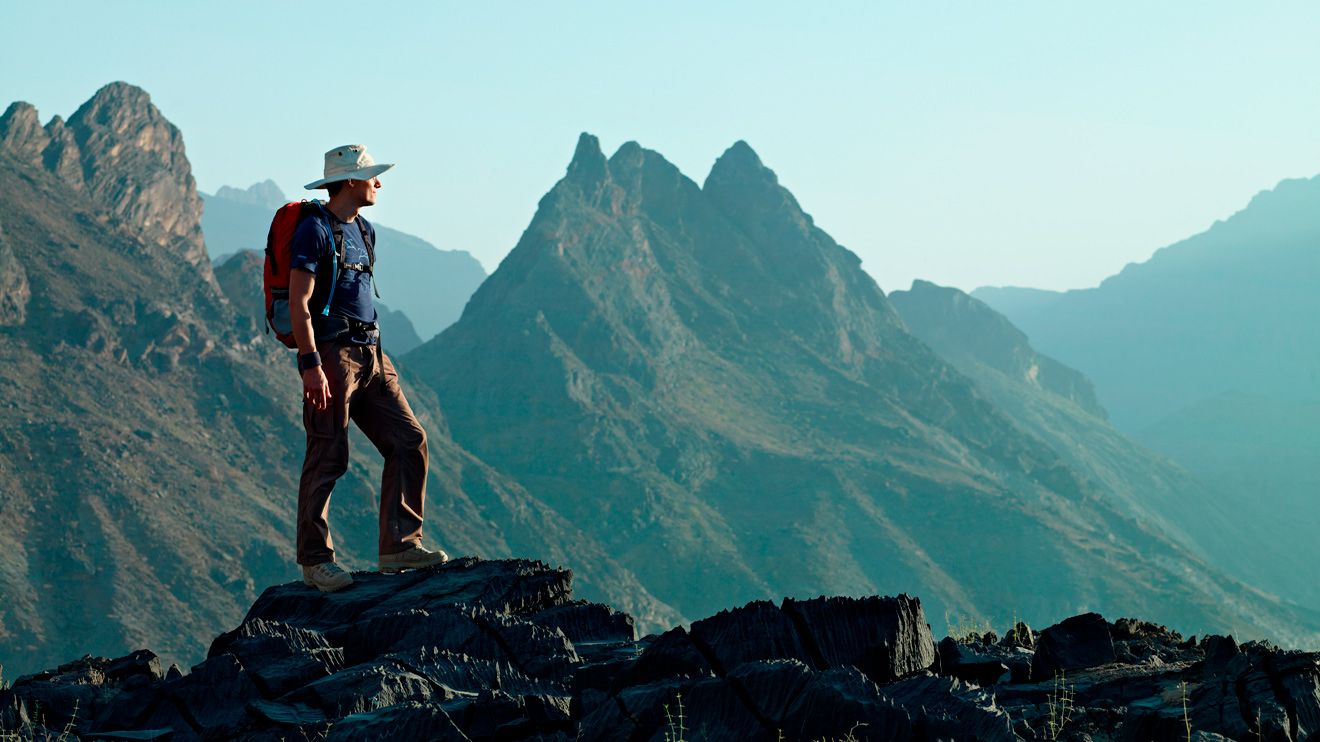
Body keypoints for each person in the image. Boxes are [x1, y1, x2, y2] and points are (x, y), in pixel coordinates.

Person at [289, 144, 447, 592]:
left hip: (373, 354)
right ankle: (315, 562)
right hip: (333, 357)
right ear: (351, 181)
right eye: (372, 176)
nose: (379, 182)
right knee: (327, 455)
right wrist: (311, 365)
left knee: (409, 439)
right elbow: (300, 304)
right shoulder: (313, 230)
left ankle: (399, 545)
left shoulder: (365, 230)